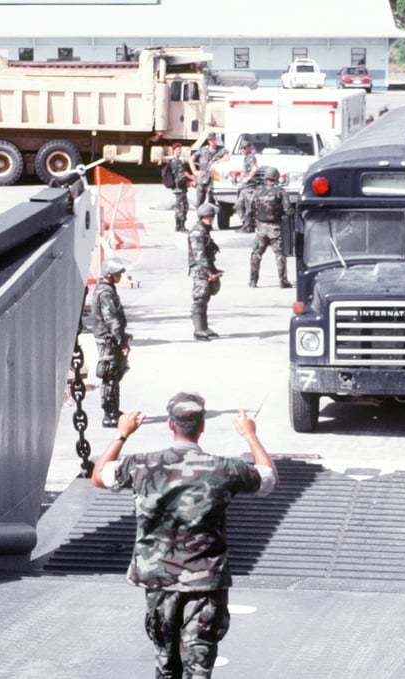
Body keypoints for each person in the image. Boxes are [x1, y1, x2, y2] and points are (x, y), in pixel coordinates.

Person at [91, 393, 278, 679]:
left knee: (166, 662)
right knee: (199, 663)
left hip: (159, 579)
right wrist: (250, 435)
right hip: (205, 580)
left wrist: (121, 434)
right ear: (202, 426)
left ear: (170, 424)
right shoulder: (225, 468)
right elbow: (267, 479)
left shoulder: (141, 464)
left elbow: (99, 476)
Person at [93, 258, 132, 427]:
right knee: (109, 374)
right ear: (109, 274)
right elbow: (112, 319)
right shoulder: (106, 292)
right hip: (108, 340)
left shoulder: (106, 288)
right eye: (118, 273)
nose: (120, 276)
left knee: (114, 374)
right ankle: (109, 414)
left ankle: (114, 410)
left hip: (109, 337)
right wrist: (121, 341)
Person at [249, 166, 294, 288]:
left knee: (256, 254)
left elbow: (250, 208)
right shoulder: (280, 192)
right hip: (276, 228)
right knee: (280, 255)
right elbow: (288, 210)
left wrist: (253, 222)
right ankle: (282, 281)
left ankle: (253, 281)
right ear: (276, 178)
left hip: (260, 228)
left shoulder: (257, 191)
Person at [188, 203, 222, 341]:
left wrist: (214, 269)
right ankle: (198, 330)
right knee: (199, 298)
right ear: (206, 216)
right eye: (211, 216)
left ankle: (204, 327)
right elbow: (199, 256)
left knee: (205, 297)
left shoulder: (204, 230)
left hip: (205, 268)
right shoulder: (197, 232)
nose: (212, 219)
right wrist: (209, 273)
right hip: (199, 270)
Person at [189, 132, 227, 208]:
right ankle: (200, 218)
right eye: (210, 140)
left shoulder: (221, 149)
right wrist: (194, 171)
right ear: (208, 141)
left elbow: (227, 157)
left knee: (211, 203)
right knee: (199, 203)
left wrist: (217, 162)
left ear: (216, 140)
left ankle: (210, 219)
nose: (212, 141)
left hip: (213, 180)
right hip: (202, 179)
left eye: (214, 139)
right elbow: (191, 159)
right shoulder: (203, 149)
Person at [234, 138, 260, 233]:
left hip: (250, 187)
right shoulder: (246, 158)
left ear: (249, 148)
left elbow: (255, 168)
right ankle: (246, 224)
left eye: (244, 148)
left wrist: (248, 178)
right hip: (245, 187)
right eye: (241, 148)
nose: (242, 150)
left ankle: (248, 226)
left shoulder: (251, 157)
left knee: (247, 206)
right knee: (240, 205)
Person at [169, 142, 196, 232]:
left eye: (180, 149)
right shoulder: (177, 161)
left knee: (180, 206)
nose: (179, 151)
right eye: (177, 149)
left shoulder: (175, 160)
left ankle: (178, 226)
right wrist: (192, 178)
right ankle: (181, 226)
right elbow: (183, 173)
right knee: (182, 207)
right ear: (173, 151)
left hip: (179, 187)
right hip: (179, 187)